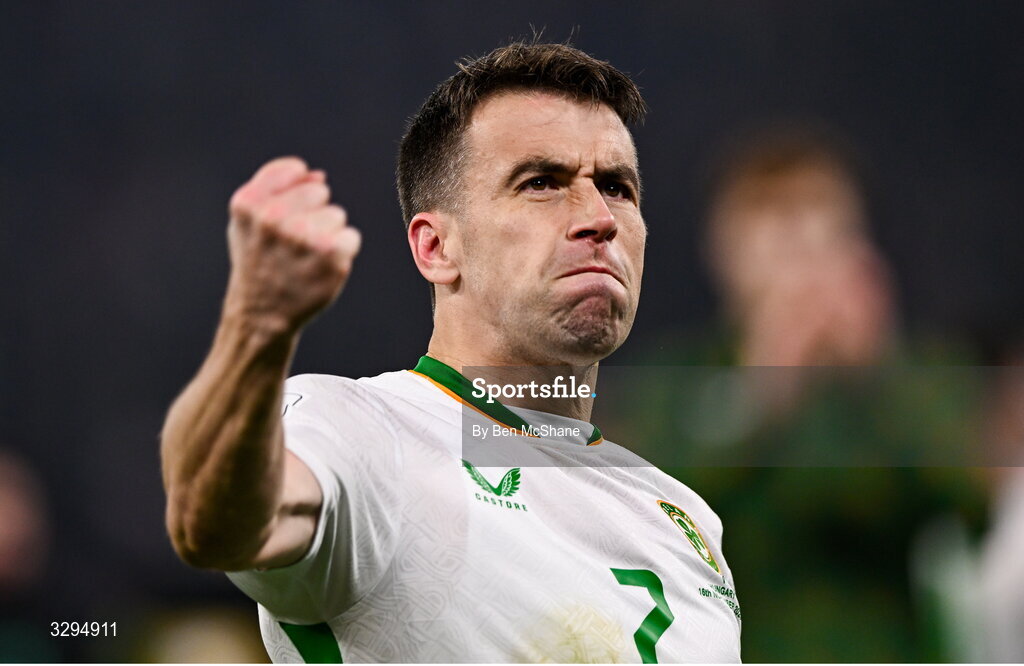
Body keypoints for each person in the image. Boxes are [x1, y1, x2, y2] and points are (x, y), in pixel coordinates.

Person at [160, 41, 742, 663]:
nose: (598, 216)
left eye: (617, 187)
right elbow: (211, 521)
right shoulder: (361, 431)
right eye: (542, 183)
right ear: (436, 247)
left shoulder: (682, 517)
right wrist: (256, 329)